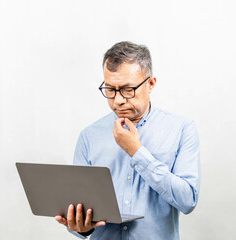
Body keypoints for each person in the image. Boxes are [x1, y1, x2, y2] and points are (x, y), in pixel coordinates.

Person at [55, 41, 200, 239]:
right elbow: (79, 215)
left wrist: (137, 152)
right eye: (110, 90)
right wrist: (80, 225)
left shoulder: (181, 129)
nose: (118, 100)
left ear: (150, 84)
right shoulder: (89, 136)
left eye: (127, 89)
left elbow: (188, 200)